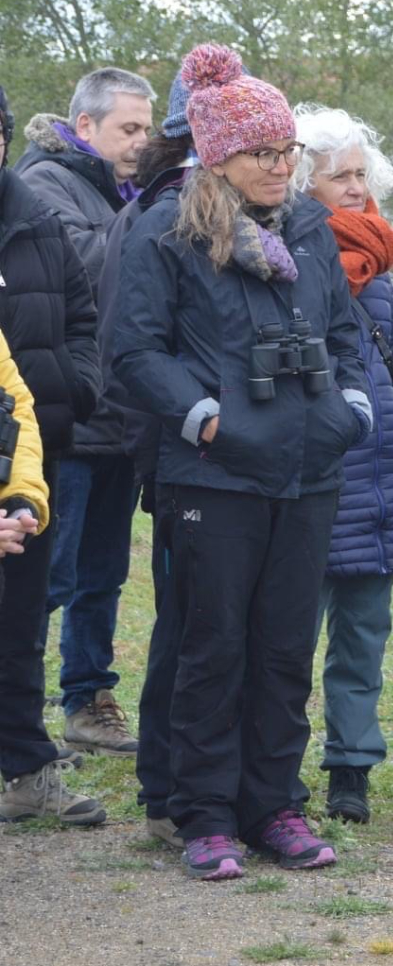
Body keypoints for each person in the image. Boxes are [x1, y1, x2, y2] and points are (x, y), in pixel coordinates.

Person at [111, 44, 372, 881]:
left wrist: (351, 410)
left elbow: (343, 333)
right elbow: (134, 351)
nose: (281, 167)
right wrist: (208, 421)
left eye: (289, 151)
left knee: (285, 644)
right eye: (264, 153)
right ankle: (206, 814)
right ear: (218, 155)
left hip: (308, 471)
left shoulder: (307, 228)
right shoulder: (167, 230)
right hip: (212, 475)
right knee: (212, 643)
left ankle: (274, 805)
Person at [294, 104, 393, 824]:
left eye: (360, 172)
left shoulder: (376, 258)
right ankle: (276, 771)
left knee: (362, 636)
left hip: (383, 475)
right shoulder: (287, 254)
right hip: (317, 475)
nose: (355, 187)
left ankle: (352, 768)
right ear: (302, 182)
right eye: (337, 176)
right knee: (288, 636)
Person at [17, 68, 155, 759]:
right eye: (128, 129)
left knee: (103, 571)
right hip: (65, 419)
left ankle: (88, 698)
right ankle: (20, 713)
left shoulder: (123, 190)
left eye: (146, 130)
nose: (141, 143)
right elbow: (95, 266)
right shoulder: (43, 185)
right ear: (85, 125)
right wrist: (155, 213)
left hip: (121, 413)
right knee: (48, 575)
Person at [101, 68, 206, 849]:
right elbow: (131, 349)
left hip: (220, 455)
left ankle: (211, 782)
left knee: (214, 624)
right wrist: (165, 446)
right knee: (183, 626)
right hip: (177, 457)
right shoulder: (155, 217)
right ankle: (166, 792)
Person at [0, 80, 105, 827]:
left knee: (21, 619)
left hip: (31, 459)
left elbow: (84, 318)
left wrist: (72, 391)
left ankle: (27, 764)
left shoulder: (33, 217)